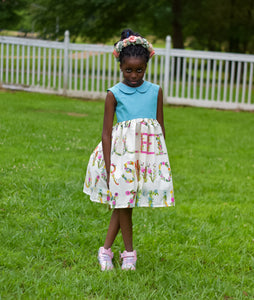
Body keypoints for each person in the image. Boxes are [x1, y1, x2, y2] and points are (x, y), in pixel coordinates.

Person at [83, 29, 174, 271]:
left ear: (146, 66)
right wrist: (109, 163)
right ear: (120, 66)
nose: (134, 75)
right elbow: (106, 132)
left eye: (139, 70)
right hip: (119, 157)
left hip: (144, 157)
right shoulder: (114, 93)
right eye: (128, 70)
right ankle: (129, 253)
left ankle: (105, 251)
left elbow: (159, 128)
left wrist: (158, 161)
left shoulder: (155, 92)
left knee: (124, 203)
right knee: (123, 202)